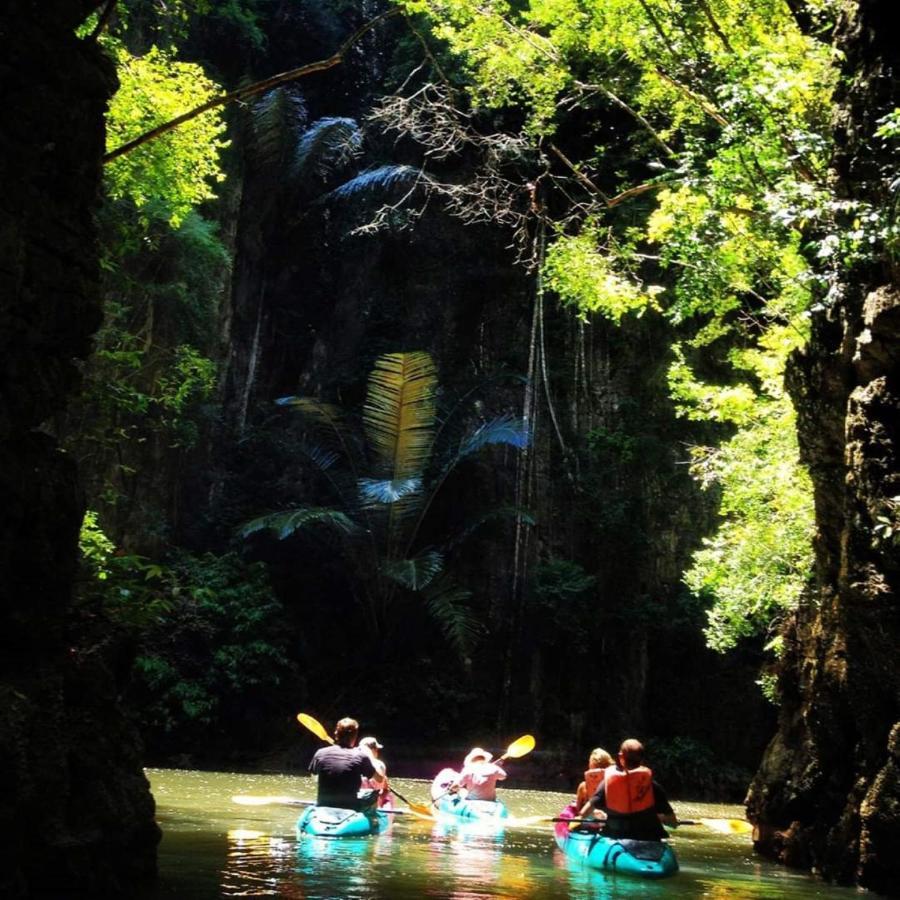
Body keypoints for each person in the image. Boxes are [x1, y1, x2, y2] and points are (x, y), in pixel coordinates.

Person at [577, 738, 677, 840]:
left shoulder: (606, 784)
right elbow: (673, 822)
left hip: (617, 839)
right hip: (649, 839)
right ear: (642, 760)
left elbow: (584, 812)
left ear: (621, 757)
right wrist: (661, 818)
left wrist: (584, 817)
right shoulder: (653, 786)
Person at [308, 717, 385, 810]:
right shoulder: (360, 756)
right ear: (355, 736)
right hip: (350, 806)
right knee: (372, 795)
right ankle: (374, 822)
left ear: (336, 734)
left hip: (323, 803)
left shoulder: (320, 753)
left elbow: (314, 776)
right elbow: (380, 779)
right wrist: (369, 755)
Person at [359, 735, 391, 808]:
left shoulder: (354, 763)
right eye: (376, 749)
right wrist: (380, 802)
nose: (377, 752)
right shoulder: (380, 765)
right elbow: (386, 789)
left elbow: (386, 788)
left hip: (360, 802)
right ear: (372, 750)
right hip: (371, 803)